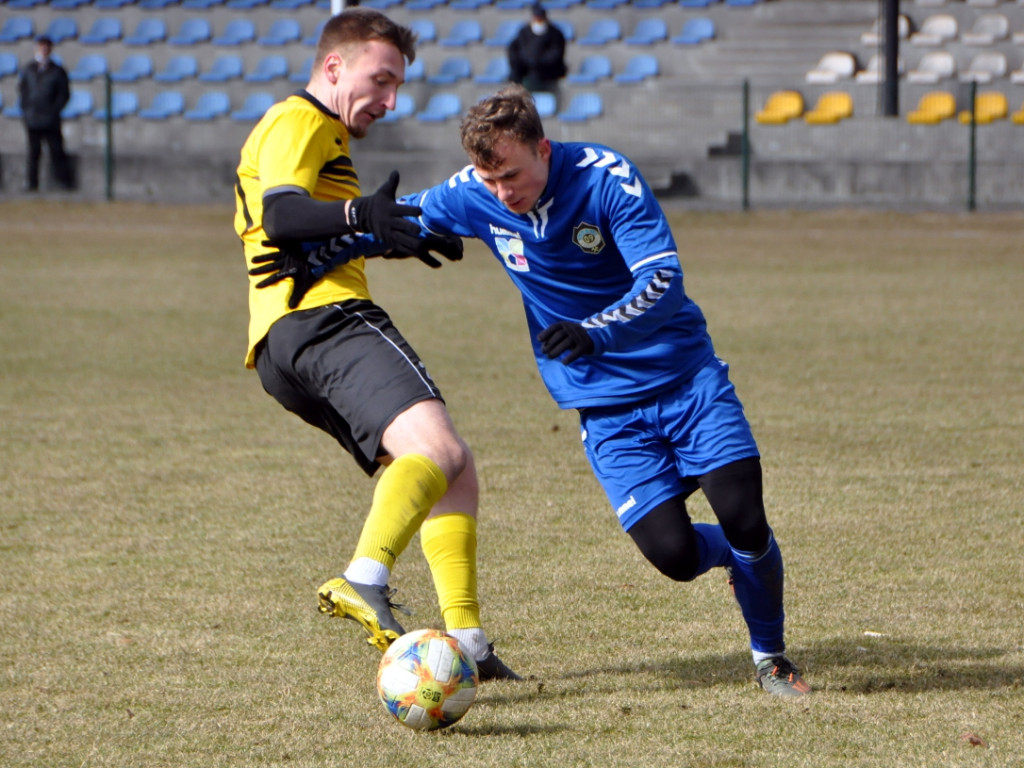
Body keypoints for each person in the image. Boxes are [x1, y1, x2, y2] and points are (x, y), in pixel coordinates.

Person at [265, 84, 811, 696]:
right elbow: (403, 220)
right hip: (607, 411)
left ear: (543, 149)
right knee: (675, 557)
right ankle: (741, 566)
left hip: (685, 380)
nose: (503, 193)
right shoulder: (477, 193)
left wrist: (594, 331)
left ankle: (771, 657)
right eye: (490, 180)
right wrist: (321, 250)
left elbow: (663, 280)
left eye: (513, 176)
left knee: (743, 515)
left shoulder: (607, 179)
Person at [232, 9, 520, 681]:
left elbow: (306, 234)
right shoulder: (298, 119)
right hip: (325, 323)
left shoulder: (323, 132)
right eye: (380, 79)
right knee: (439, 451)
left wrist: (388, 237)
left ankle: (469, 644)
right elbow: (280, 214)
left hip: (290, 338)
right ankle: (363, 577)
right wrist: (362, 213)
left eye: (397, 87)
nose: (389, 101)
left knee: (453, 467)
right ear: (334, 67)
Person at [17, 36, 72, 192]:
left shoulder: (58, 71)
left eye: (46, 47)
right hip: (32, 117)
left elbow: (64, 94)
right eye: (41, 47)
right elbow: (23, 91)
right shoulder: (28, 69)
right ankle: (32, 183)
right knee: (33, 152)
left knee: (56, 150)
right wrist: (26, 110)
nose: (43, 50)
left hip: (51, 118)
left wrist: (54, 110)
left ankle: (62, 182)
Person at [507, 4, 567, 98]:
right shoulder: (524, 33)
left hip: (549, 78)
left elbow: (556, 54)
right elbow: (514, 51)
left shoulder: (555, 34)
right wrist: (526, 62)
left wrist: (538, 62)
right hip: (527, 77)